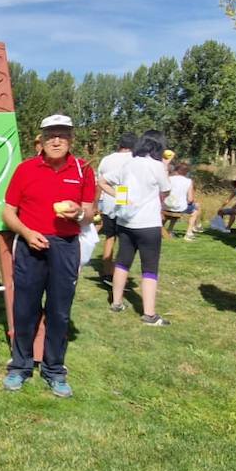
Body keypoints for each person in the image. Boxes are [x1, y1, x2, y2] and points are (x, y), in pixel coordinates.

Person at [1, 114, 96, 398]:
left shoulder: (83, 170)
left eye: (62, 135)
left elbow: (90, 212)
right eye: (51, 135)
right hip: (30, 243)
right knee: (24, 308)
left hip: (66, 245)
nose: (56, 141)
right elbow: (8, 212)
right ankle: (20, 366)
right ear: (41, 140)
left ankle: (54, 370)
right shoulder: (25, 169)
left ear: (71, 139)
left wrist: (78, 214)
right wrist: (27, 232)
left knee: (59, 311)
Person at [103, 130, 172, 326]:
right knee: (149, 268)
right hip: (148, 223)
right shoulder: (156, 166)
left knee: (122, 262)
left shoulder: (128, 163)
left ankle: (116, 303)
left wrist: (122, 197)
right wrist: (166, 168)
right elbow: (166, 190)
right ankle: (149, 314)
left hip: (125, 221)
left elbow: (103, 181)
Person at [95, 133, 136, 284]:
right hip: (127, 200)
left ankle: (106, 271)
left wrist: (95, 203)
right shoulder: (135, 159)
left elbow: (99, 182)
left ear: (120, 144)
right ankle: (120, 273)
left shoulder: (107, 159)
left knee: (110, 237)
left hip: (109, 200)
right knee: (126, 240)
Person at [164, 162, 201, 240]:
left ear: (176, 170)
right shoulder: (188, 181)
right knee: (195, 211)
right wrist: (188, 203)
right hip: (179, 207)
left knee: (175, 210)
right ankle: (189, 233)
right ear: (186, 172)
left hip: (166, 205)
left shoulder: (169, 178)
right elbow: (190, 199)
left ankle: (169, 230)